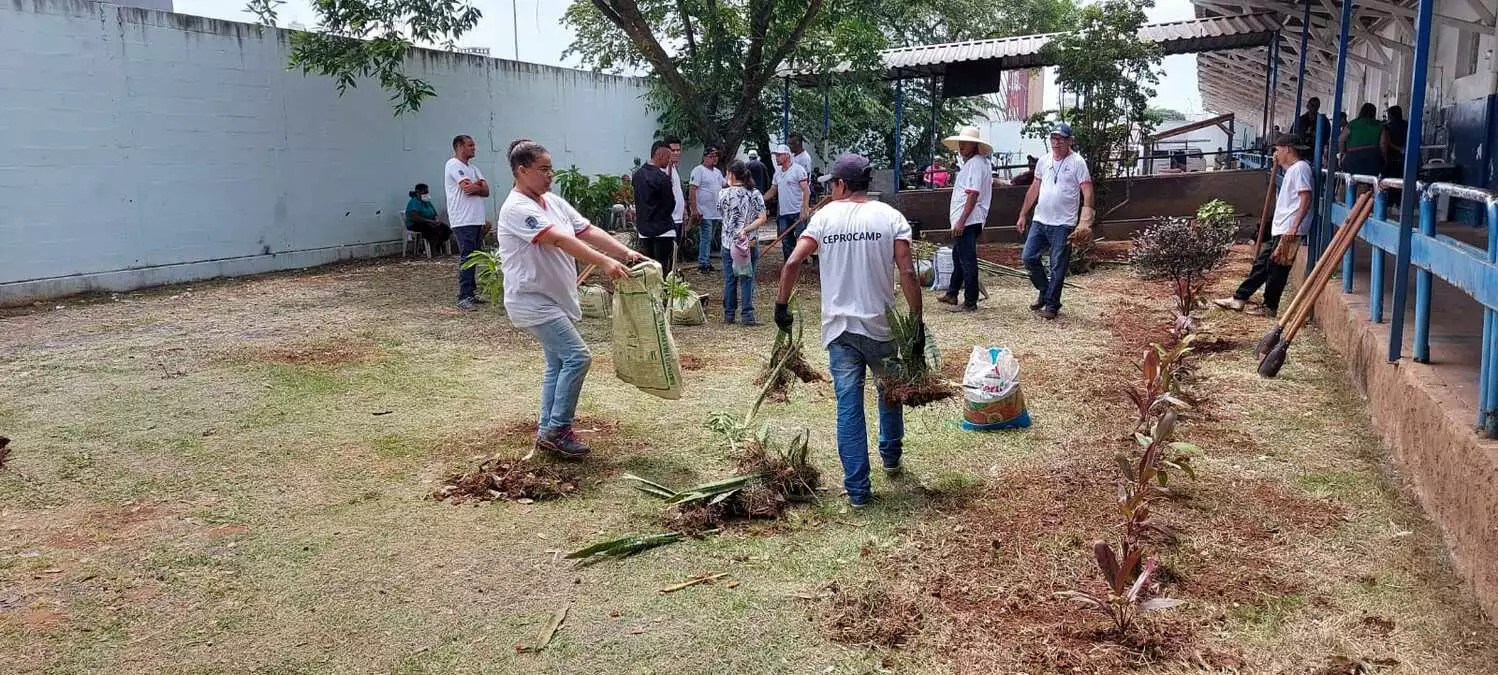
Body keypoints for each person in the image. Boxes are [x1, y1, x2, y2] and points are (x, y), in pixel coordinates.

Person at [774, 153, 924, 508]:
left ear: (841, 184)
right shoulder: (891, 217)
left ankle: (858, 491)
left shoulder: (824, 218)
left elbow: (794, 261)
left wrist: (781, 306)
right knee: (890, 392)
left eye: (833, 184)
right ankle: (891, 455)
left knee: (849, 406)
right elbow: (907, 273)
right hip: (882, 328)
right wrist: (916, 322)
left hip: (839, 330)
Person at [497, 139, 644, 458]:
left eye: (551, 168)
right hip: (532, 300)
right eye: (543, 169)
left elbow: (586, 230)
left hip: (553, 299)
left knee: (558, 362)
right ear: (521, 171)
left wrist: (626, 252)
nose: (550, 175)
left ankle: (547, 429)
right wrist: (605, 262)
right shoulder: (518, 209)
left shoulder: (551, 202)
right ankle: (558, 429)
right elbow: (560, 239)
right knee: (578, 356)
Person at [1213, 134, 1314, 317]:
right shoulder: (1294, 168)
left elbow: (1305, 198)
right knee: (1264, 264)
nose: (1276, 153)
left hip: (1289, 228)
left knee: (1276, 269)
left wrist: (1294, 227)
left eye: (1278, 149)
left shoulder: (1300, 169)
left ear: (1288, 149)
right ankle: (1240, 298)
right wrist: (1279, 164)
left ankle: (1267, 306)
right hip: (1283, 227)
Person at [1016, 122, 1094, 320]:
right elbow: (1034, 188)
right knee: (1028, 257)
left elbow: (1087, 190)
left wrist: (1085, 221)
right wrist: (1023, 214)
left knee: (1058, 265)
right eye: (1054, 138)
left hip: (1063, 223)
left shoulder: (1077, 162)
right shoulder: (1044, 161)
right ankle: (1045, 290)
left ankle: (1052, 305)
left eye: (1061, 138)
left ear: (1070, 141)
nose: (1056, 142)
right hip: (1041, 220)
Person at [937, 126, 994, 312]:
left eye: (966, 143)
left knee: (967, 260)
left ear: (975, 145)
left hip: (968, 219)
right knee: (958, 256)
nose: (961, 146)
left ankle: (970, 301)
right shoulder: (977, 163)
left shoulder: (976, 164)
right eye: (961, 143)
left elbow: (973, 195)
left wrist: (961, 220)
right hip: (969, 218)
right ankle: (953, 293)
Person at [716, 160, 767, 325]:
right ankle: (747, 315)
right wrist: (746, 229)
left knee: (730, 279)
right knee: (747, 277)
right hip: (748, 243)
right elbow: (762, 218)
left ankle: (729, 314)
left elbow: (721, 213)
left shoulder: (723, 193)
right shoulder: (754, 194)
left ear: (731, 174)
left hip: (728, 242)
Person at [445, 134, 491, 310]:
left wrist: (478, 186)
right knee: (467, 257)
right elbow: (467, 189)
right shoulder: (453, 165)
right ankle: (464, 296)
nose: (474, 148)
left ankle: (471, 293)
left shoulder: (474, 168)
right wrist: (477, 186)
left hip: (476, 219)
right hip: (463, 219)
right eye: (470, 145)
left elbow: (486, 191)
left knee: (474, 257)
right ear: (459, 146)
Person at [633, 140, 678, 273]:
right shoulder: (662, 178)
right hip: (662, 229)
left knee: (649, 268)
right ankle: (663, 292)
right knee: (663, 267)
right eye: (668, 157)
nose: (669, 161)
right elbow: (670, 204)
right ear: (660, 155)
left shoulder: (637, 176)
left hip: (644, 228)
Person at [763, 144, 811, 262]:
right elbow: (773, 190)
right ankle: (789, 264)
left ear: (786, 156)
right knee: (785, 240)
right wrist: (760, 199)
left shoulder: (798, 170)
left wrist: (804, 208)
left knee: (801, 238)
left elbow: (806, 190)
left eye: (779, 155)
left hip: (797, 211)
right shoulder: (778, 173)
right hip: (784, 213)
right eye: (776, 155)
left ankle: (801, 262)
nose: (777, 158)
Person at [689, 146, 725, 273]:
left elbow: (725, 184)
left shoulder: (717, 172)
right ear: (705, 157)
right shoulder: (698, 170)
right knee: (706, 237)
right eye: (711, 156)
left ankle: (706, 260)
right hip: (704, 211)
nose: (714, 158)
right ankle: (703, 262)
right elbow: (692, 190)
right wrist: (694, 209)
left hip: (715, 212)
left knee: (711, 237)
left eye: (716, 156)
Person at [405, 183, 451, 253]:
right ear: (418, 192)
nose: (426, 194)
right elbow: (414, 217)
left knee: (444, 228)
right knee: (431, 230)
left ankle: (441, 246)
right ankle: (433, 251)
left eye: (427, 192)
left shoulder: (427, 202)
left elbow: (434, 213)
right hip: (415, 224)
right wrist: (429, 221)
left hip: (430, 222)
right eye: (424, 192)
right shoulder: (413, 202)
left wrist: (436, 220)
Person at [1341, 103, 1383, 177]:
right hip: (1372, 160)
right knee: (1369, 183)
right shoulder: (1380, 125)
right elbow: (1383, 143)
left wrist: (1343, 153)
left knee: (1351, 183)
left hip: (1352, 159)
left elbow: (1341, 139)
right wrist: (1384, 159)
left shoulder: (1352, 124)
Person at [665, 136, 688, 265]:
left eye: (678, 150)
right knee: (668, 252)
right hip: (670, 218)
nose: (676, 153)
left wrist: (684, 210)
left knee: (675, 250)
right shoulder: (664, 169)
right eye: (673, 150)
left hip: (678, 217)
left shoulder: (674, 168)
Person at [1382, 105, 1409, 205]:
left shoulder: (1387, 127)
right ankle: (1399, 204)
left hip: (1390, 157)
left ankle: (1388, 204)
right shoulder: (1407, 125)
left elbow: (1385, 142)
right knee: (1401, 182)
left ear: (1391, 115)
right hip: (1404, 159)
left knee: (1388, 182)